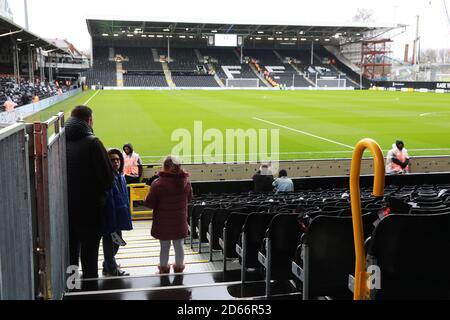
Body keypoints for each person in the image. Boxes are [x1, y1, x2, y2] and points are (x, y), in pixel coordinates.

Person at [66, 105, 114, 279]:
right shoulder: (93, 143)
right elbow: (108, 180)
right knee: (89, 255)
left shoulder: (61, 141)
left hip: (67, 209)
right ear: (89, 120)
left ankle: (71, 288)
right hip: (91, 211)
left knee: (71, 255)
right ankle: (90, 290)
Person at [144, 156, 192, 274]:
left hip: (162, 223)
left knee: (164, 247)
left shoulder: (157, 183)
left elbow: (149, 203)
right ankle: (179, 268)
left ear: (164, 167)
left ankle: (164, 269)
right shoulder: (186, 182)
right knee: (179, 246)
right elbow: (189, 199)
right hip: (179, 221)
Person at [102, 148, 133, 277]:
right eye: (112, 160)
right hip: (110, 217)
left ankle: (108, 265)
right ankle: (111, 268)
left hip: (119, 216)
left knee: (116, 243)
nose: (116, 162)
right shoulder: (107, 177)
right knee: (111, 243)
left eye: (118, 160)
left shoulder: (120, 176)